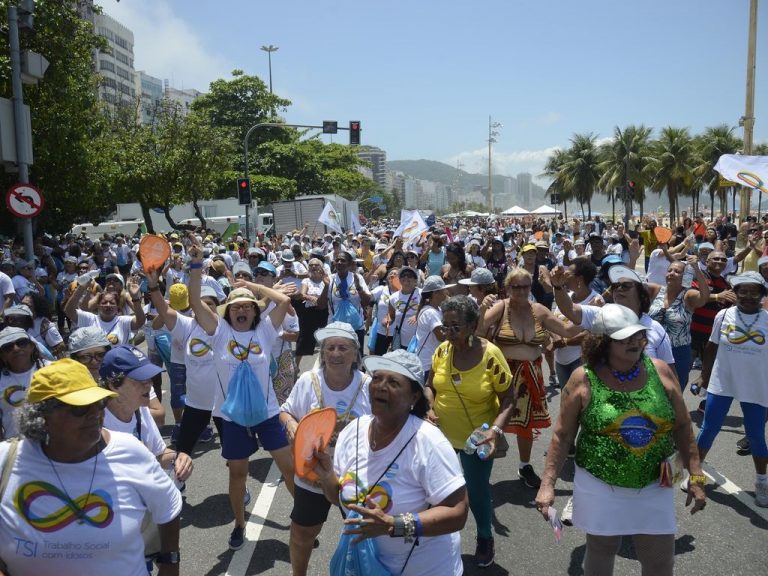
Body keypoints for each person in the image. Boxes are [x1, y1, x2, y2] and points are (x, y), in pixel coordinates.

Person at [535, 304, 706, 576]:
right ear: (602, 342)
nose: (635, 342)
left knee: (660, 560)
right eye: (624, 338)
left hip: (655, 482)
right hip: (599, 483)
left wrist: (695, 475)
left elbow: (683, 425)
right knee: (601, 551)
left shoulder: (660, 371)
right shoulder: (583, 378)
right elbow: (563, 435)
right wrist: (547, 484)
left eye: (638, 335)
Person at [0, 359, 182, 576]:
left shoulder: (130, 451)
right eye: (80, 409)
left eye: (99, 404)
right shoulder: (6, 460)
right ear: (42, 416)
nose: (95, 414)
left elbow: (168, 505)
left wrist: (170, 563)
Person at [315, 349, 468, 576]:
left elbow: (458, 512)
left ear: (414, 397)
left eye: (394, 382)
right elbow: (337, 497)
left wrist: (393, 524)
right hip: (365, 566)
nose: (381, 386)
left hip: (426, 569)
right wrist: (327, 475)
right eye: (377, 378)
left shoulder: (428, 442)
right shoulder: (353, 432)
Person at [186, 241, 295, 551]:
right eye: (236, 307)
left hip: (268, 414)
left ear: (255, 311)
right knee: (237, 474)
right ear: (228, 312)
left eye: (248, 306)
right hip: (232, 417)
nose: (242, 310)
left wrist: (250, 287)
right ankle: (239, 524)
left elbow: (285, 300)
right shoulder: (219, 331)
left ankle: (302, 521)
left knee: (289, 469)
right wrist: (196, 265)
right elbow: (195, 301)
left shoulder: (265, 331)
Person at [279, 322, 372, 576]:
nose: (335, 353)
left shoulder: (369, 386)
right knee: (302, 533)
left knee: (362, 535)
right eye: (329, 347)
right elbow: (285, 411)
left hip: (356, 478)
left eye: (343, 347)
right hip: (313, 475)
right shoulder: (308, 381)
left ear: (355, 353)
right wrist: (291, 424)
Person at [426, 295, 513, 567]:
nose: (448, 333)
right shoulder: (442, 351)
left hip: (477, 438)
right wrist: (428, 407)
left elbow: (509, 397)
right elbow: (430, 385)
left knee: (476, 491)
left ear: (473, 325)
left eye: (455, 327)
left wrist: (496, 430)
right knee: (436, 490)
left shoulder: (491, 355)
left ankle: (485, 537)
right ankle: (437, 540)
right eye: (445, 326)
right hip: (440, 436)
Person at [476, 269, 579, 491]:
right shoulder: (501, 308)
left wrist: (595, 316)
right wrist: (482, 309)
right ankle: (480, 467)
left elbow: (567, 330)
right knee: (488, 420)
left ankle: (524, 466)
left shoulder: (539, 310)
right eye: (516, 287)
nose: (521, 291)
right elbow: (478, 332)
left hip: (530, 375)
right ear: (508, 288)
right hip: (501, 375)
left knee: (526, 425)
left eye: (525, 286)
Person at [693, 272, 768, 507]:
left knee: (756, 435)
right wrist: (704, 376)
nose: (748, 296)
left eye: (754, 292)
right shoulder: (723, 315)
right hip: (723, 381)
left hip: (756, 385)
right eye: (742, 291)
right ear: (735, 293)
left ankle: (762, 482)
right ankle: (695, 476)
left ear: (762, 295)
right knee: (709, 428)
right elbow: (711, 347)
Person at [99, 345, 194, 490]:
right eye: (140, 380)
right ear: (114, 385)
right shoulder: (96, 423)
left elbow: (159, 454)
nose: (149, 384)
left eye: (149, 378)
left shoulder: (140, 410)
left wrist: (179, 458)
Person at [647, 257, 710, 390]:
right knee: (651, 390)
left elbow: (704, 297)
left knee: (674, 390)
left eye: (677, 271)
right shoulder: (656, 290)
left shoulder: (688, 296)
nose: (672, 273)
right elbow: (632, 285)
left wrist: (696, 269)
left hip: (678, 352)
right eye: (669, 270)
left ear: (685, 276)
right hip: (653, 349)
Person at [64, 273, 145, 346]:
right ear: (98, 306)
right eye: (109, 280)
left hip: (124, 329)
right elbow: (84, 308)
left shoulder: (125, 301)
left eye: (115, 280)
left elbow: (140, 320)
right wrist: (84, 287)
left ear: (117, 308)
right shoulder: (94, 312)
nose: (108, 305)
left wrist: (135, 297)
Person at [0, 327, 47, 440]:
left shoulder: (52, 369)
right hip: (15, 445)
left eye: (21, 343)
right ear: (2, 356)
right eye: (8, 347)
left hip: (51, 442)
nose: (16, 349)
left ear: (32, 346)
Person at [327, 250, 371, 351]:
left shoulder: (357, 278)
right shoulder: (330, 279)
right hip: (334, 326)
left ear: (350, 264)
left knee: (355, 356)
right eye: (337, 260)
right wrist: (326, 286)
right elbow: (321, 305)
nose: (339, 262)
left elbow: (367, 302)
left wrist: (359, 288)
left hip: (355, 327)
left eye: (343, 260)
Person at [413, 276, 452, 382]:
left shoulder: (436, 309)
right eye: (444, 290)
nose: (447, 292)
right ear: (435, 293)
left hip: (431, 361)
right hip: (428, 363)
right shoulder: (431, 313)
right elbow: (441, 337)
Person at [295, 258, 329, 367]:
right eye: (311, 265)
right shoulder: (306, 281)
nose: (313, 267)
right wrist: (311, 298)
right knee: (304, 339)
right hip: (309, 312)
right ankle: (296, 366)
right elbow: (302, 294)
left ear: (321, 267)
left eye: (316, 265)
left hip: (324, 312)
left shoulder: (327, 280)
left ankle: (324, 365)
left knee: (326, 339)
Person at [387, 266, 421, 351]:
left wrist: (417, 316)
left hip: (418, 341)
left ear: (415, 280)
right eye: (403, 275)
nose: (406, 277)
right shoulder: (393, 297)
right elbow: (391, 315)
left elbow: (429, 309)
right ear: (399, 279)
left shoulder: (422, 294)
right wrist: (388, 320)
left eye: (409, 275)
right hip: (401, 341)